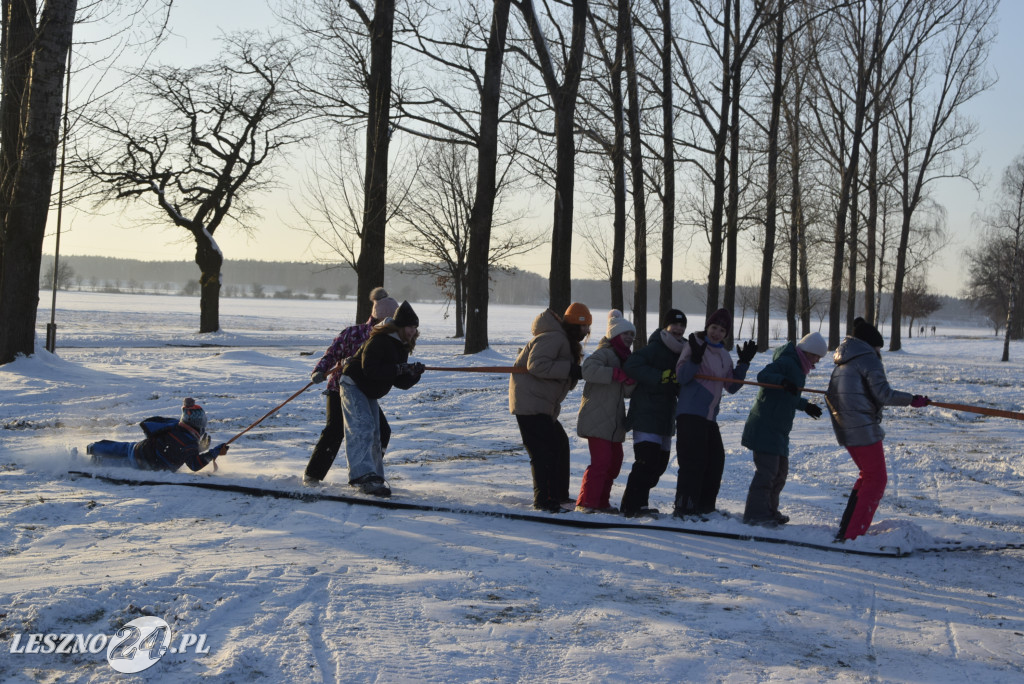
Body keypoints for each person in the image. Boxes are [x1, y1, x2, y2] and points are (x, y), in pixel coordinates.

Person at [826, 317, 930, 541]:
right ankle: (853, 534)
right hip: (861, 426)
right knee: (876, 479)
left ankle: (849, 528)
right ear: (870, 344)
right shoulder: (868, 359)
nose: (878, 352)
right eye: (877, 347)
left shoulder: (843, 360)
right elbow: (884, 394)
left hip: (846, 426)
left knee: (867, 476)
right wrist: (912, 400)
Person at [303, 287, 399, 485]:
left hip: (364, 393)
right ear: (381, 318)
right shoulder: (353, 333)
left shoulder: (389, 339)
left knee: (382, 430)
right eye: (391, 319)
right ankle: (312, 474)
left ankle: (370, 471)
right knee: (335, 429)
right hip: (339, 389)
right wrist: (319, 370)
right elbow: (332, 354)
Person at [672, 308, 757, 520]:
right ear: (707, 327)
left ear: (726, 334)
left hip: (709, 416)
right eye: (713, 328)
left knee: (715, 459)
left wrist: (743, 363)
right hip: (690, 412)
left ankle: (705, 506)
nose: (716, 333)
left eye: (721, 330)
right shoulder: (693, 346)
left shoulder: (724, 355)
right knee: (694, 461)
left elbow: (731, 386)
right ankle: (684, 507)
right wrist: (695, 359)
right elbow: (682, 377)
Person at [509, 302, 591, 513]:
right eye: (584, 327)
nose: (587, 332)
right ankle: (544, 501)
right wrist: (571, 370)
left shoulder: (562, 340)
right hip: (530, 403)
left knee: (560, 444)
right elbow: (537, 365)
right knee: (543, 451)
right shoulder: (554, 337)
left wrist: (572, 371)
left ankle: (558, 496)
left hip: (540, 404)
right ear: (574, 325)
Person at [338, 300, 425, 497]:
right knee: (363, 427)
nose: (412, 331)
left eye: (415, 327)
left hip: (368, 389)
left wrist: (413, 373)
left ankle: (374, 476)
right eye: (410, 326)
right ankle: (362, 476)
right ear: (400, 326)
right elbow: (370, 370)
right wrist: (398, 368)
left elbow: (398, 381)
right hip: (354, 384)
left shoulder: (401, 346)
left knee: (376, 432)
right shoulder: (380, 340)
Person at [741, 332, 828, 527]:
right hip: (765, 424)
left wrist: (805, 405)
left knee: (780, 473)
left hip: (779, 428)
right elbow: (763, 375)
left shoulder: (799, 368)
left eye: (819, 358)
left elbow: (788, 396)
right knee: (767, 472)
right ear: (806, 352)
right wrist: (782, 381)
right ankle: (755, 514)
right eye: (815, 356)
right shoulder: (789, 362)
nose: (816, 361)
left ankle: (769, 510)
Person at [618, 309, 688, 518]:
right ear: (666, 326)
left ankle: (641, 503)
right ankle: (631, 505)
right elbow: (632, 365)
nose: (678, 329)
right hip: (646, 412)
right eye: (674, 325)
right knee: (646, 462)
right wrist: (661, 376)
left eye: (682, 325)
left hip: (666, 416)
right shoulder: (654, 347)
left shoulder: (682, 351)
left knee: (659, 465)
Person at [574, 310, 637, 514]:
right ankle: (586, 502)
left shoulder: (624, 358)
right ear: (615, 335)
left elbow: (625, 392)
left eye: (632, 336)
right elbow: (588, 370)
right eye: (626, 334)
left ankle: (601, 502)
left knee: (614, 464)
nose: (629, 338)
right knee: (601, 462)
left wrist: (630, 381)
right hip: (597, 418)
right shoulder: (604, 353)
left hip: (614, 422)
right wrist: (614, 373)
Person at [87, 398, 228, 472]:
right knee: (122, 461)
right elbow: (194, 465)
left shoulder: (178, 430)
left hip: (139, 451)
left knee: (120, 450)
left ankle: (92, 450)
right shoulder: (189, 442)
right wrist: (213, 453)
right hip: (146, 461)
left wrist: (199, 450)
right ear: (198, 424)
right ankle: (92, 462)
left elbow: (180, 451)